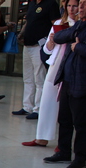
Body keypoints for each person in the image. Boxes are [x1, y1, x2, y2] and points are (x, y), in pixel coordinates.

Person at [22, 0, 77, 148]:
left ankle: (64, 143)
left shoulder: (80, 24)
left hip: (71, 67)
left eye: (75, 6)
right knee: (47, 101)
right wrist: (51, 43)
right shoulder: (59, 22)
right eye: (69, 6)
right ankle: (42, 137)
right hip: (55, 65)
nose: (72, 9)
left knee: (67, 107)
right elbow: (47, 50)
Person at [42, 0, 86, 168]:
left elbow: (72, 43)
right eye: (78, 4)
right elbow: (59, 36)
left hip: (81, 82)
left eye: (83, 4)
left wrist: (79, 46)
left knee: (80, 122)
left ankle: (80, 157)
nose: (80, 7)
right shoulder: (79, 25)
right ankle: (64, 151)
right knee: (64, 119)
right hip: (67, 79)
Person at [12, 0, 61, 119]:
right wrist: (21, 33)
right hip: (27, 45)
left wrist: (50, 41)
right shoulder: (32, 4)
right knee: (28, 78)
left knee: (39, 77)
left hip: (40, 46)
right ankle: (27, 106)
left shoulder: (50, 4)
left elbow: (55, 24)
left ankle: (38, 108)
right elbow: (28, 22)